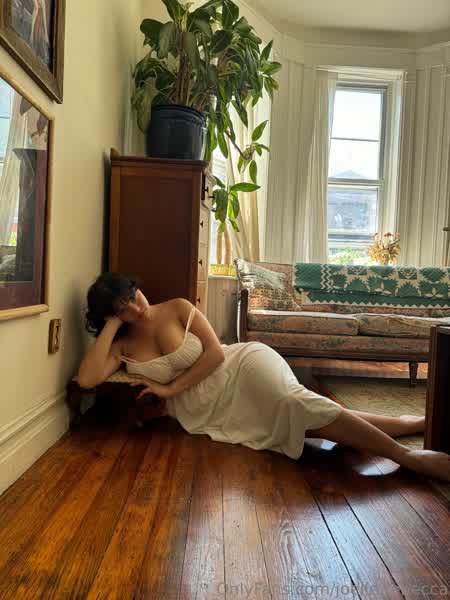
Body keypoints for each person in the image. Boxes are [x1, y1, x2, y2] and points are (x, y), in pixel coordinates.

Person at [77, 272, 450, 482]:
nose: (135, 307)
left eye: (133, 295)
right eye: (122, 309)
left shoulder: (177, 307)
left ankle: (407, 457)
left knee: (294, 403)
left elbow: (216, 353)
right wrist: (111, 326)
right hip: (209, 412)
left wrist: (168, 388)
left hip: (239, 367)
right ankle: (410, 423)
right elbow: (87, 380)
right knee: (307, 422)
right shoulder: (120, 344)